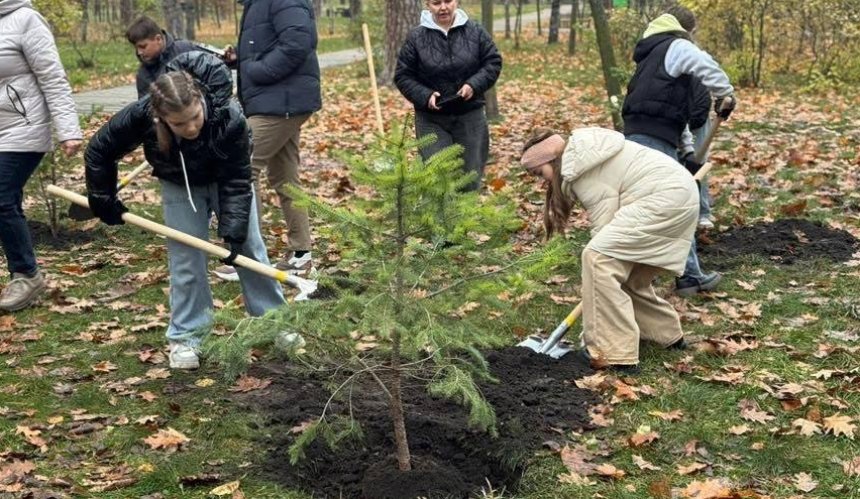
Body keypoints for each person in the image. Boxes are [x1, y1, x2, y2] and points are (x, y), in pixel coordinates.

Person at [85, 53, 285, 370]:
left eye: (195, 117)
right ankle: (187, 336)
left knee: (250, 250)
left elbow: (237, 178)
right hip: (179, 185)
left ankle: (276, 323)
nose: (190, 127)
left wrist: (232, 232)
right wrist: (102, 196)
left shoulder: (230, 117)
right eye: (178, 124)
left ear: (200, 102)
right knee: (186, 260)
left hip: (225, 182)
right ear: (160, 118)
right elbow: (99, 150)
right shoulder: (142, 114)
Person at [521, 127, 697, 371]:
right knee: (629, 276)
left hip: (662, 200)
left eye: (540, 173)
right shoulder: (585, 155)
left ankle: (610, 351)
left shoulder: (582, 168)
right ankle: (664, 335)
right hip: (677, 196)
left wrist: (593, 322)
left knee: (598, 260)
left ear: (552, 160)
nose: (544, 180)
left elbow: (603, 225)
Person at [621, 5, 736, 297]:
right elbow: (706, 64)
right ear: (687, 31)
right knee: (678, 207)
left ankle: (645, 276)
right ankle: (688, 277)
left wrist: (686, 151)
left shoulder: (649, 57)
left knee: (656, 206)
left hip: (640, 135)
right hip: (652, 139)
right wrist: (725, 93)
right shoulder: (675, 45)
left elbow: (674, 112)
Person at [216, 0, 322, 281]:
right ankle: (301, 254)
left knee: (240, 170)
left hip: (282, 101)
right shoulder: (258, 3)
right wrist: (240, 58)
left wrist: (256, 70)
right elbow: (270, 43)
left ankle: (249, 258)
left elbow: (298, 42)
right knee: (285, 177)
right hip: (276, 100)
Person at [0, 0, 83, 312]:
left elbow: (52, 76)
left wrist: (68, 130)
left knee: (2, 195)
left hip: (23, 127)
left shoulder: (25, 19)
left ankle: (27, 274)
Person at [394, 0, 502, 192]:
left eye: (448, 1)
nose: (443, 7)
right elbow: (403, 76)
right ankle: (441, 221)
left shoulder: (475, 31)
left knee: (470, 179)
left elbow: (492, 62)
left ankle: (467, 220)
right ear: (427, 4)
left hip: (470, 115)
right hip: (431, 119)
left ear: (456, 2)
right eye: (436, 3)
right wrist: (425, 95)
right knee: (438, 179)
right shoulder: (416, 38)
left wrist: (473, 84)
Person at [126, 15, 197, 99]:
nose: (139, 52)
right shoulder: (143, 75)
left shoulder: (186, 50)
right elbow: (145, 108)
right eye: (136, 48)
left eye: (143, 46)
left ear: (158, 39)